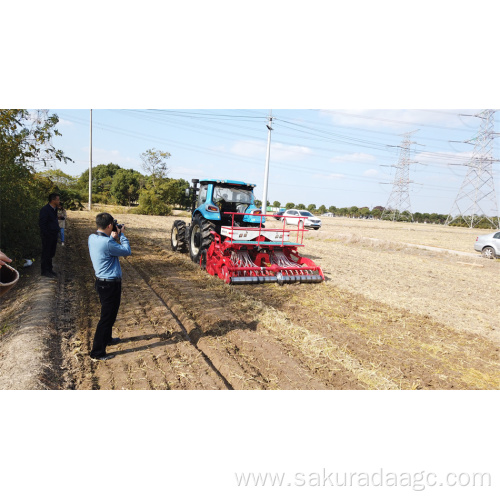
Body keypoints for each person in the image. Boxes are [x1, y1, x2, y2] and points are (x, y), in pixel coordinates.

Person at [88, 212, 131, 361]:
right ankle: (97, 352)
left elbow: (106, 245)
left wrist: (112, 237)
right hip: (110, 285)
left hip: (102, 283)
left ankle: (107, 339)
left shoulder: (92, 238)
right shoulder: (107, 243)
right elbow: (126, 251)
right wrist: (122, 235)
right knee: (106, 318)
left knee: (110, 314)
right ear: (109, 225)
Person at [39, 193, 60, 277]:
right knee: (46, 253)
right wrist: (46, 234)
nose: (59, 201)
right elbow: (42, 224)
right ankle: (44, 271)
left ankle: (50, 269)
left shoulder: (54, 209)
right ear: (53, 200)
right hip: (48, 235)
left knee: (51, 253)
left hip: (54, 235)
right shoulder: (45, 209)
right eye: (58, 199)